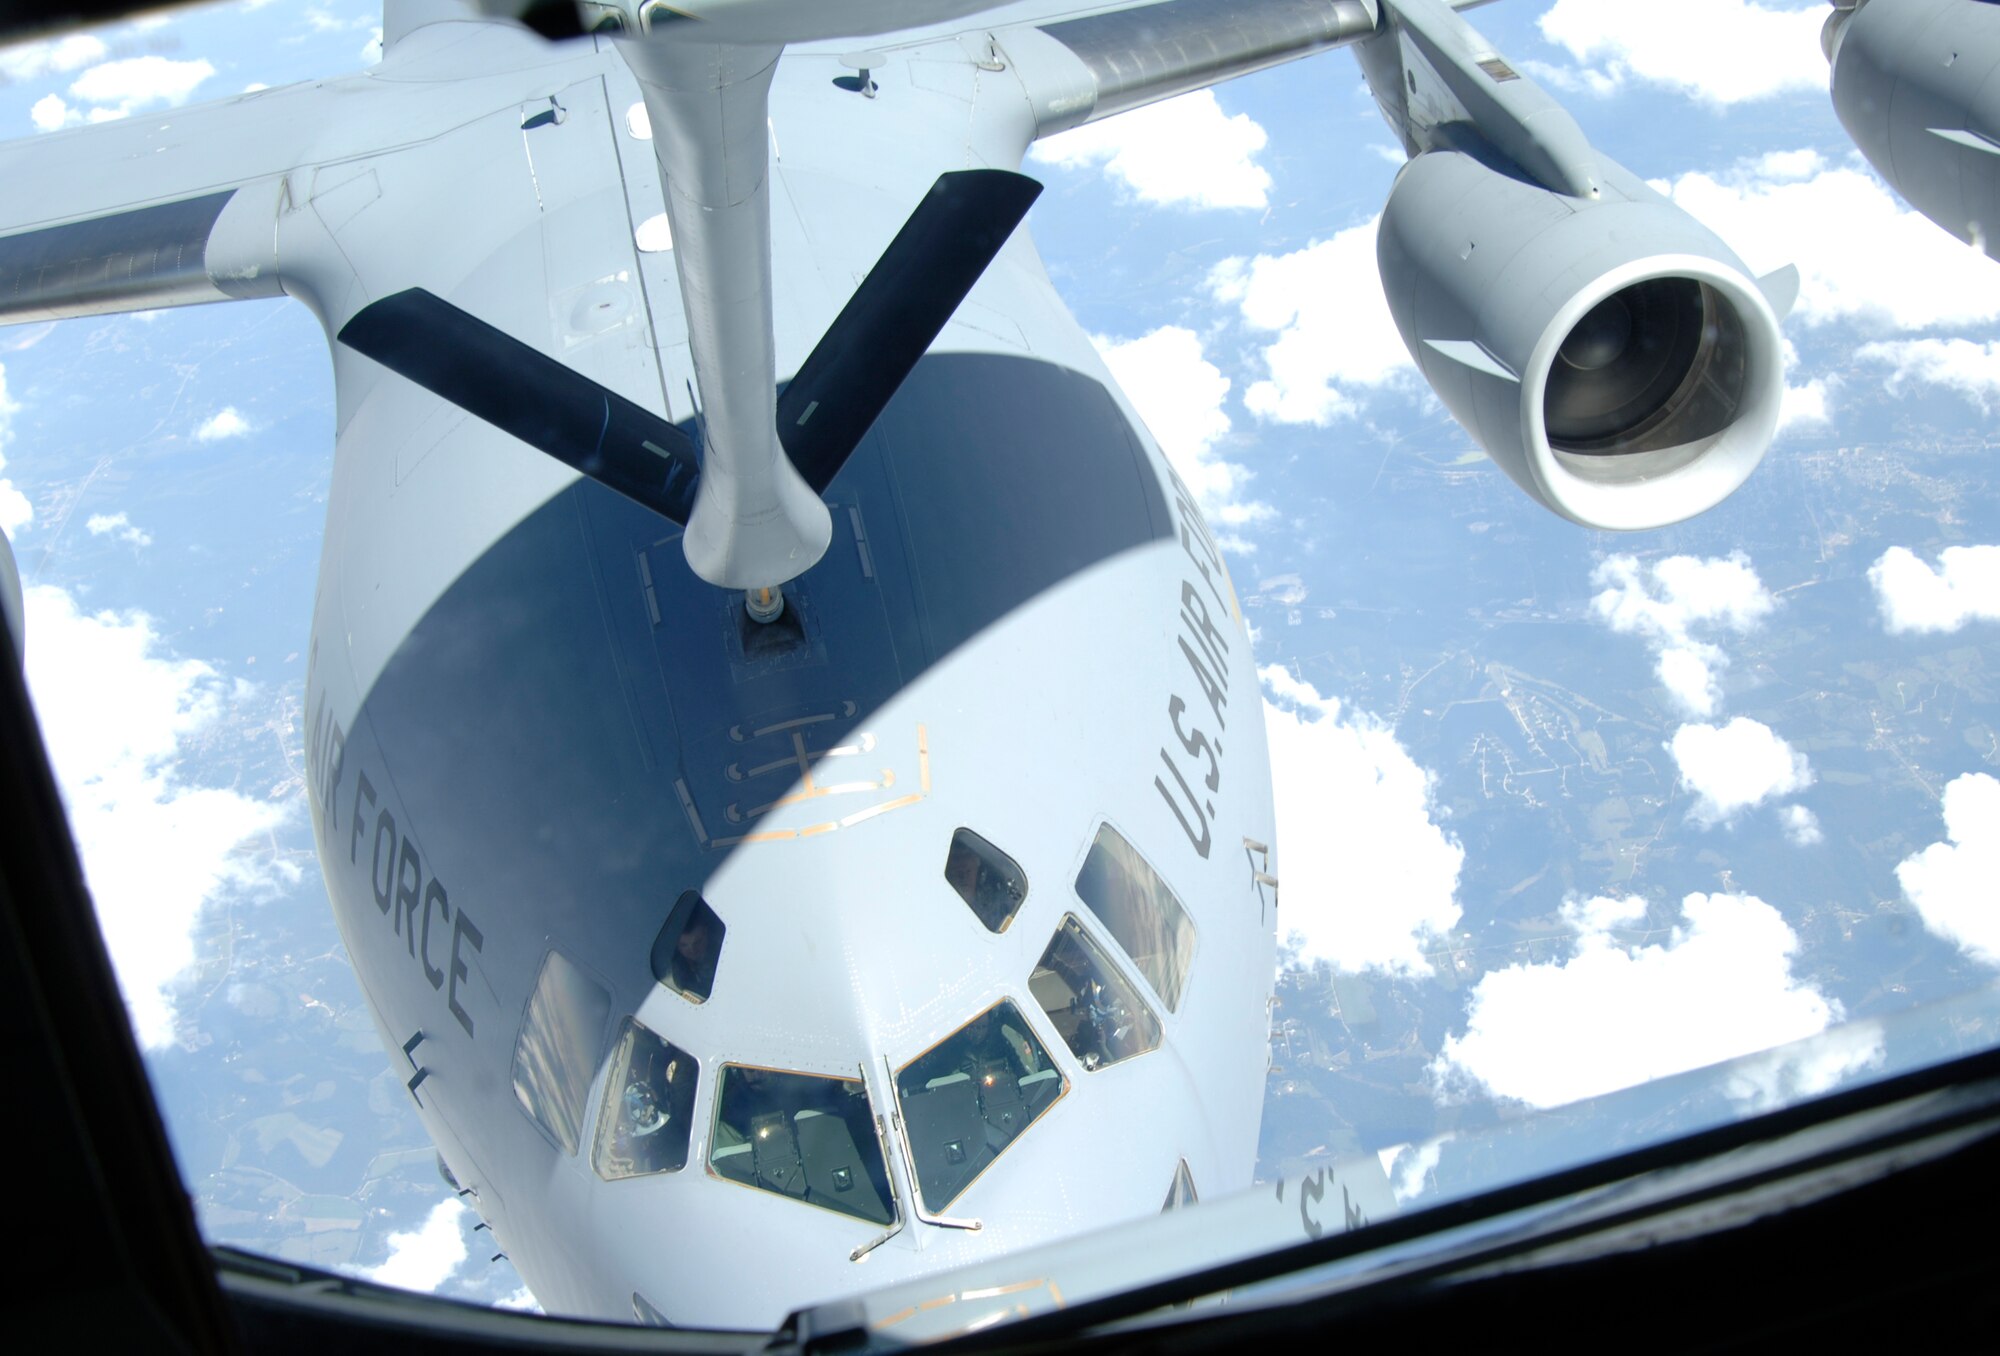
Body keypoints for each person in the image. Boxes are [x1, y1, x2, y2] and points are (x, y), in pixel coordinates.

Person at [671, 907, 719, 1000]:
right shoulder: (673, 965)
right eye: (684, 945)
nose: (692, 951)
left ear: (706, 934)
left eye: (697, 942)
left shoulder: (719, 960)